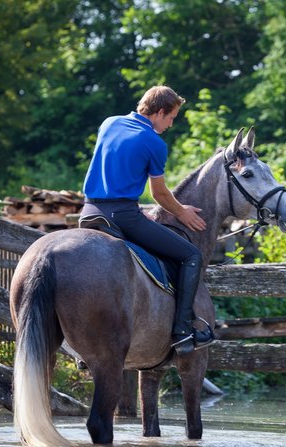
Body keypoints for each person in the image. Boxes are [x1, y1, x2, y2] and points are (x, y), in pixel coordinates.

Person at [80, 85, 214, 355]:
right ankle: (182, 330)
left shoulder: (110, 123)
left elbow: (115, 168)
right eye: (171, 117)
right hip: (123, 217)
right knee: (190, 256)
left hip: (90, 211)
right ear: (160, 112)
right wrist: (181, 212)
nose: (171, 124)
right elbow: (160, 193)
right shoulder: (154, 143)